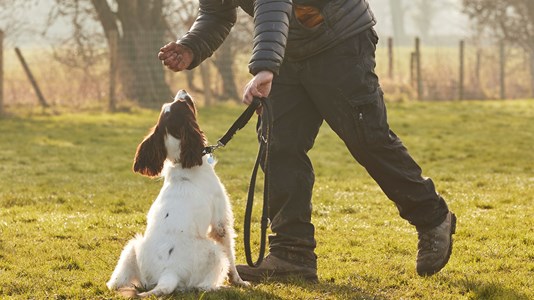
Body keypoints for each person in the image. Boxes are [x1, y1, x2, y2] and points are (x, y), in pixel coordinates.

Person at [158, 0, 456, 283]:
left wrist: (264, 66)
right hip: (288, 49)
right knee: (278, 145)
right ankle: (292, 253)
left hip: (338, 39)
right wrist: (191, 46)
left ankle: (432, 218)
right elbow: (217, 12)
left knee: (368, 140)